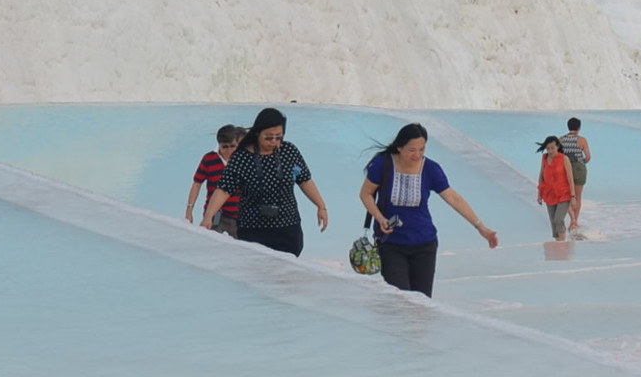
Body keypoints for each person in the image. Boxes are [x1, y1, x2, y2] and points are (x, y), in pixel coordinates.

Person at [358, 123, 497, 296]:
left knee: (421, 306)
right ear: (399, 147)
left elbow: (454, 198)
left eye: (422, 149)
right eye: (412, 150)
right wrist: (380, 218)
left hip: (424, 245)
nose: (417, 155)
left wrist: (481, 227)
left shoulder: (430, 169)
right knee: (401, 301)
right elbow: (366, 194)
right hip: (391, 244)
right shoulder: (383, 164)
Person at [203, 108, 328, 255]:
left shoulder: (289, 151)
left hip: (288, 227)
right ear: (257, 133)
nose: (274, 142)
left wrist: (321, 206)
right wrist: (209, 216)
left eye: (278, 137)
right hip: (253, 229)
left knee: (284, 273)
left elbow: (305, 180)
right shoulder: (241, 158)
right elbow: (224, 189)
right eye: (268, 137)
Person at [187, 124, 244, 236]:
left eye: (233, 146)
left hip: (239, 215)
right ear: (219, 145)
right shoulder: (209, 159)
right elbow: (197, 184)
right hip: (214, 214)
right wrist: (189, 210)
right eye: (225, 147)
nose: (229, 150)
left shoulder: (244, 160)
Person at [535, 136, 575, 240]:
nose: (550, 151)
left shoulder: (564, 159)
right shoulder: (544, 158)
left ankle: (562, 244)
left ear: (557, 146)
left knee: (558, 219)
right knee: (553, 222)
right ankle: (558, 247)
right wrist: (539, 193)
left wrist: (573, 196)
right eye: (548, 148)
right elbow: (541, 176)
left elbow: (570, 179)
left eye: (552, 148)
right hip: (549, 194)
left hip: (564, 194)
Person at [558, 117, 592, 233]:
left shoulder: (561, 140)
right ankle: (574, 222)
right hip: (578, 168)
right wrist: (582, 162)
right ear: (579, 128)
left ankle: (571, 218)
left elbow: (558, 156)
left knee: (567, 196)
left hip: (565, 169)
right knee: (578, 196)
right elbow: (588, 157)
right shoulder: (582, 140)